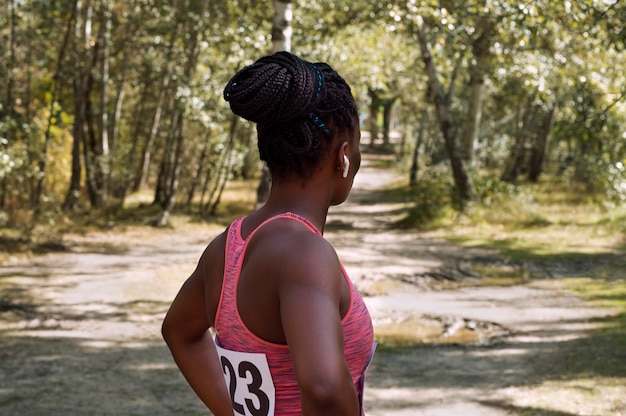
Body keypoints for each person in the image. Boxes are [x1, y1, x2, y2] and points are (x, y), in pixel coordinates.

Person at [162, 51, 375, 416]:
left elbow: (179, 331)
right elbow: (323, 387)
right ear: (343, 156)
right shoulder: (304, 254)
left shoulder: (226, 248)